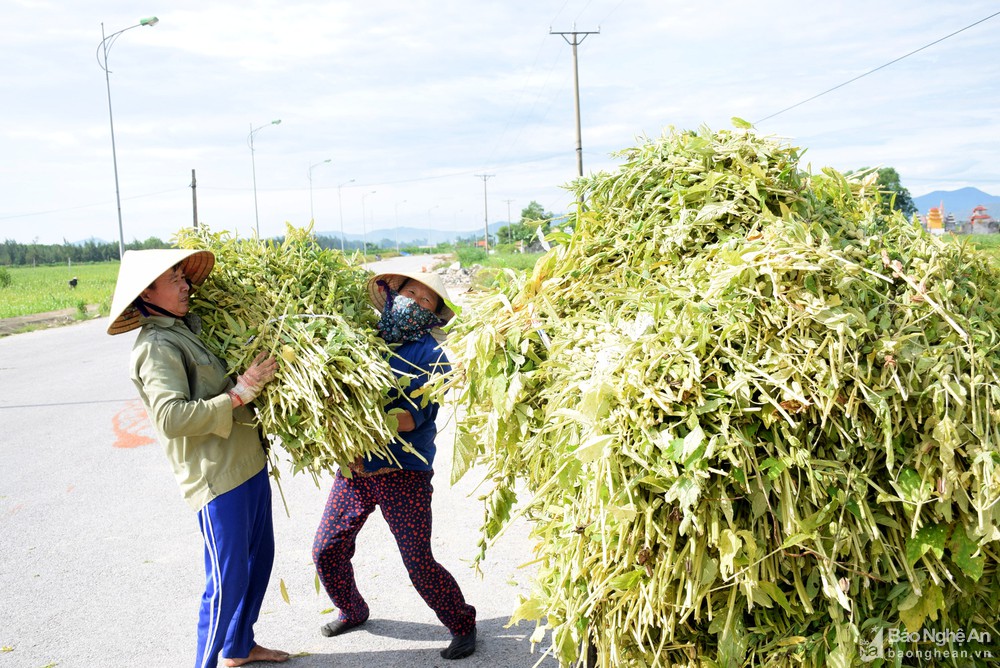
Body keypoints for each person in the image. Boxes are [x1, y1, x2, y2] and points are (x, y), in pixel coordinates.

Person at [107, 248, 290, 668]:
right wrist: (239, 394)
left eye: (183, 278)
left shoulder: (191, 329)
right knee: (226, 579)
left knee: (257, 562)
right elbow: (170, 417)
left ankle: (239, 647)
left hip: (247, 461)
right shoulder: (156, 347)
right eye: (174, 279)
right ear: (146, 293)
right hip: (215, 476)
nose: (186, 285)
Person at [312, 271, 477, 660]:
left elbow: (409, 418)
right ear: (393, 293)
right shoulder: (362, 341)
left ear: (432, 317)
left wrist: (360, 409)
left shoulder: (431, 356)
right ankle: (352, 609)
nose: (414, 301)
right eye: (410, 292)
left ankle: (462, 624)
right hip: (357, 468)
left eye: (425, 302)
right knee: (326, 549)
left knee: (418, 562)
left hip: (405, 473)